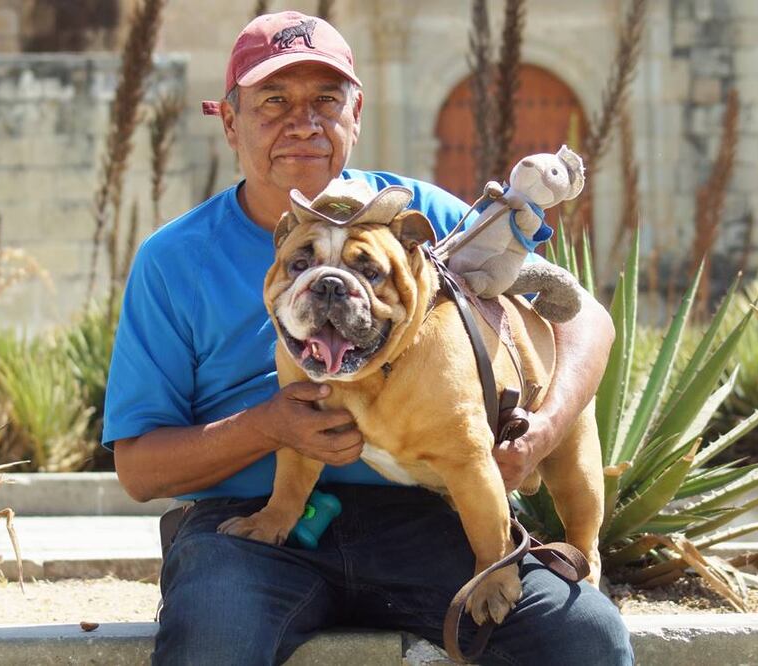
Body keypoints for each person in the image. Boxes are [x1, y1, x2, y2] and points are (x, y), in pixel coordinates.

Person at [103, 10, 633, 666]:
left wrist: (542, 432)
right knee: (212, 638)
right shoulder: (174, 259)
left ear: (356, 116)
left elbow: (584, 319)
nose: (303, 121)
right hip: (250, 531)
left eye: (325, 100)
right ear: (230, 122)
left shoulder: (423, 219)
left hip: (424, 518)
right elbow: (138, 470)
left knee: (580, 635)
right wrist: (269, 426)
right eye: (273, 101)